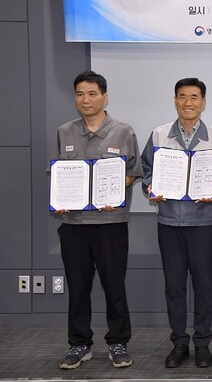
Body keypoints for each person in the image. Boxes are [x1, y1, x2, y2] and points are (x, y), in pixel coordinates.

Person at [50, 71, 143, 370]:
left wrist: (115, 188)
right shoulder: (64, 132)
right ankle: (79, 344)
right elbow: (58, 174)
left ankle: (118, 342)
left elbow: (134, 172)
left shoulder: (123, 132)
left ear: (105, 97)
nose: (85, 100)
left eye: (92, 94)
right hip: (74, 225)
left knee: (114, 286)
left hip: (110, 223)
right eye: (80, 94)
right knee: (77, 288)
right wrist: (60, 201)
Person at [141, 77, 212, 368]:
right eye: (182, 96)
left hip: (202, 223)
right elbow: (146, 169)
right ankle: (179, 342)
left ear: (203, 102)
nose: (188, 102)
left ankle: (202, 343)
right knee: (174, 286)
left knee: (203, 285)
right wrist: (151, 187)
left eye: (194, 97)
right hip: (168, 222)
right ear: (175, 100)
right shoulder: (158, 135)